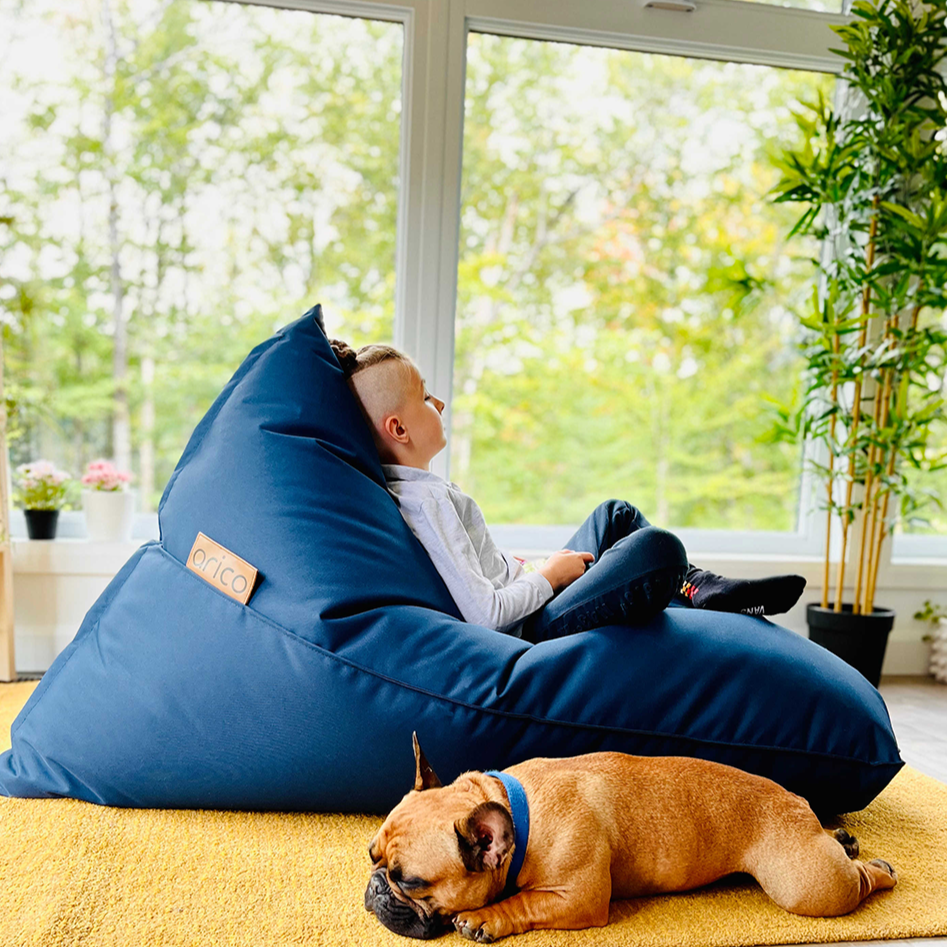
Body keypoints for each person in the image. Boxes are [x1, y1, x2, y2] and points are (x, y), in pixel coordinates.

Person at [330, 338, 806, 643]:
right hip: (531, 627)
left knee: (615, 515)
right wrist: (551, 577)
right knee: (657, 549)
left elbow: (483, 573)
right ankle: (692, 585)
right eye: (425, 396)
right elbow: (485, 616)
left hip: (530, 594)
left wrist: (533, 569)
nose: (440, 402)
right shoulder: (426, 501)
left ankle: (700, 588)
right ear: (398, 427)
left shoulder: (415, 491)